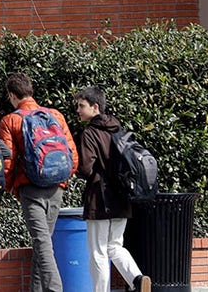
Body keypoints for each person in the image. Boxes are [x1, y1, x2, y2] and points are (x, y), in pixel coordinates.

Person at [0, 73, 79, 292]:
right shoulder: (55, 116)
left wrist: (9, 186)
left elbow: (8, 161)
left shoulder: (11, 120)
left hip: (30, 188)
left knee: (42, 243)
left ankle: (55, 289)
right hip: (55, 187)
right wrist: (63, 178)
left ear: (13, 96)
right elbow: (72, 153)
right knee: (42, 242)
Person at [73, 87, 151, 292]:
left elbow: (86, 168)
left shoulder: (90, 133)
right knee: (115, 247)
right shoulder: (119, 130)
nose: (78, 110)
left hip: (99, 199)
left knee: (98, 252)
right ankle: (137, 279)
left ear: (95, 106)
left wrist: (76, 170)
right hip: (123, 197)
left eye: (81, 105)